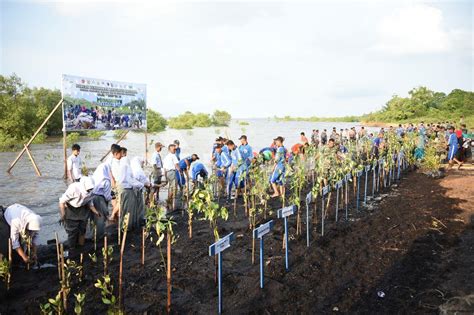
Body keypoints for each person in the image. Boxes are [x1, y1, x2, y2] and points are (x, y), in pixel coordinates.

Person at [59, 177, 101, 249]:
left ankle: (81, 246)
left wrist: (96, 212)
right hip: (71, 209)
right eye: (88, 189)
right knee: (72, 231)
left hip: (83, 209)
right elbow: (62, 201)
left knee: (82, 229)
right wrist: (63, 214)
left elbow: (90, 203)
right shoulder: (74, 188)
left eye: (91, 189)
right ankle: (72, 248)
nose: (89, 190)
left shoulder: (91, 191)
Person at [91, 162, 113, 238]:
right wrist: (112, 197)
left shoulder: (93, 178)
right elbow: (107, 197)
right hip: (100, 199)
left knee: (94, 217)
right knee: (101, 217)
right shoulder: (106, 181)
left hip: (91, 198)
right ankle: (99, 235)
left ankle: (93, 234)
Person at [130, 156, 150, 227]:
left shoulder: (131, 168)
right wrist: (150, 185)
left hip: (131, 190)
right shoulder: (139, 170)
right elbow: (146, 182)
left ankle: (134, 221)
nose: (143, 164)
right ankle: (140, 220)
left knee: (134, 206)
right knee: (140, 205)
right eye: (143, 163)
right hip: (138, 189)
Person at [163, 144, 180, 210]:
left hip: (167, 173)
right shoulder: (173, 156)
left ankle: (169, 201)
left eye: (175, 149)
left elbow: (164, 167)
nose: (175, 150)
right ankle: (170, 201)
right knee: (174, 188)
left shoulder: (166, 157)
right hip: (172, 172)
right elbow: (176, 165)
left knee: (170, 187)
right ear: (170, 149)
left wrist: (165, 176)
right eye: (174, 149)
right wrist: (180, 171)